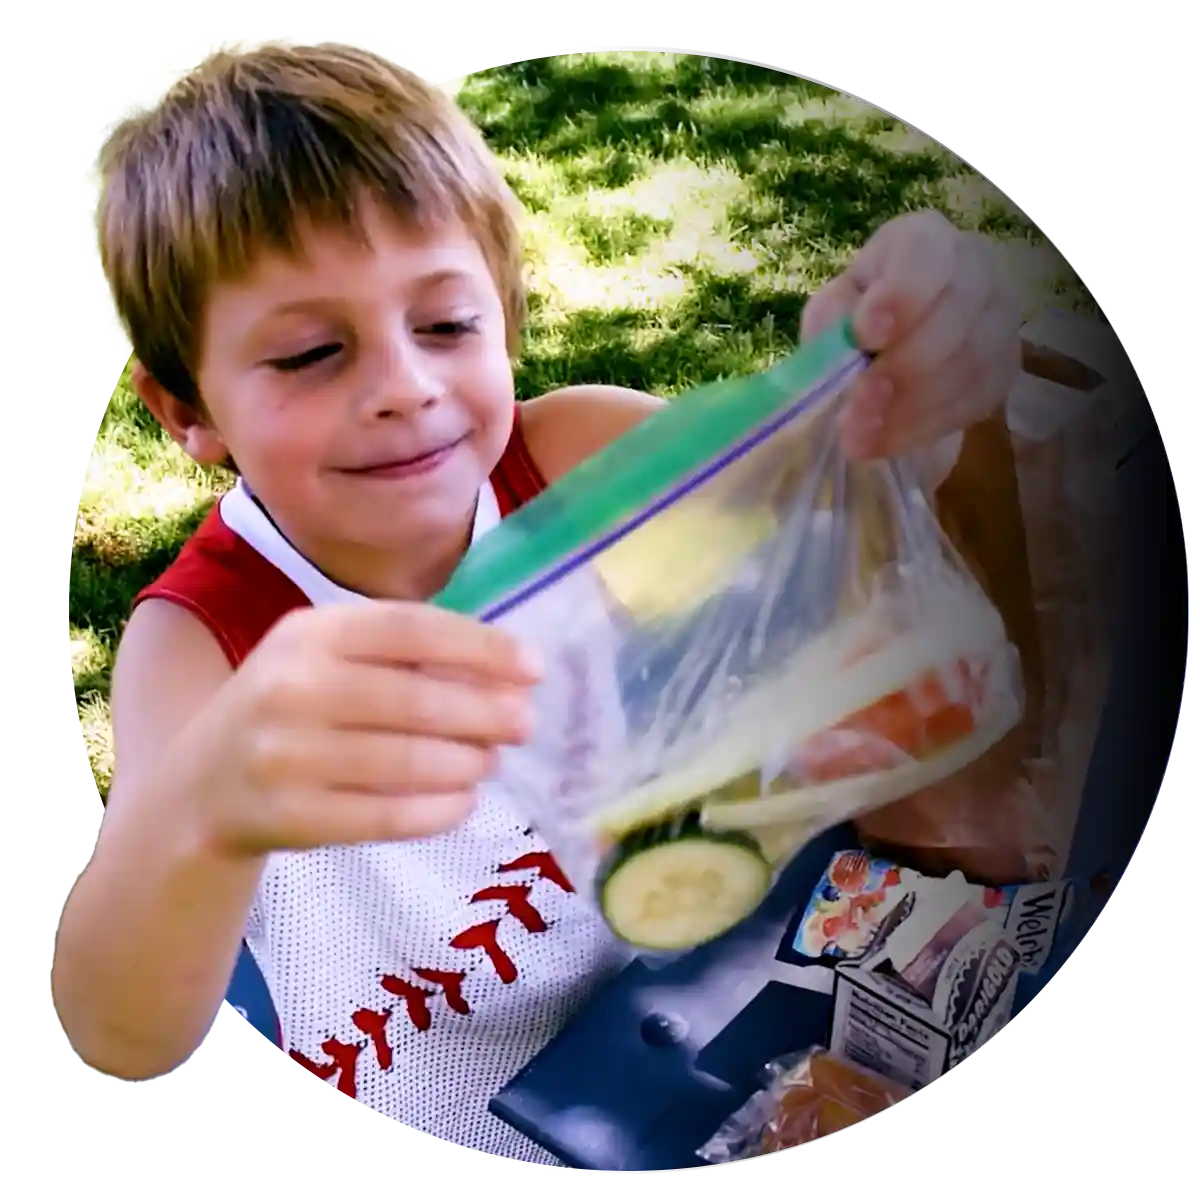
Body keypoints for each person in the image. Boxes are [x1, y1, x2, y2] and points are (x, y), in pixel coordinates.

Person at [52, 38, 1022, 1164]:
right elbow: (122, 1027)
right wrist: (203, 809)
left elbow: (854, 528)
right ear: (186, 410)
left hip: (693, 1037)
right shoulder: (204, 644)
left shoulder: (572, 466)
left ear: (505, 316)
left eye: (447, 325)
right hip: (451, 1120)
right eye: (313, 351)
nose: (404, 387)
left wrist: (892, 386)